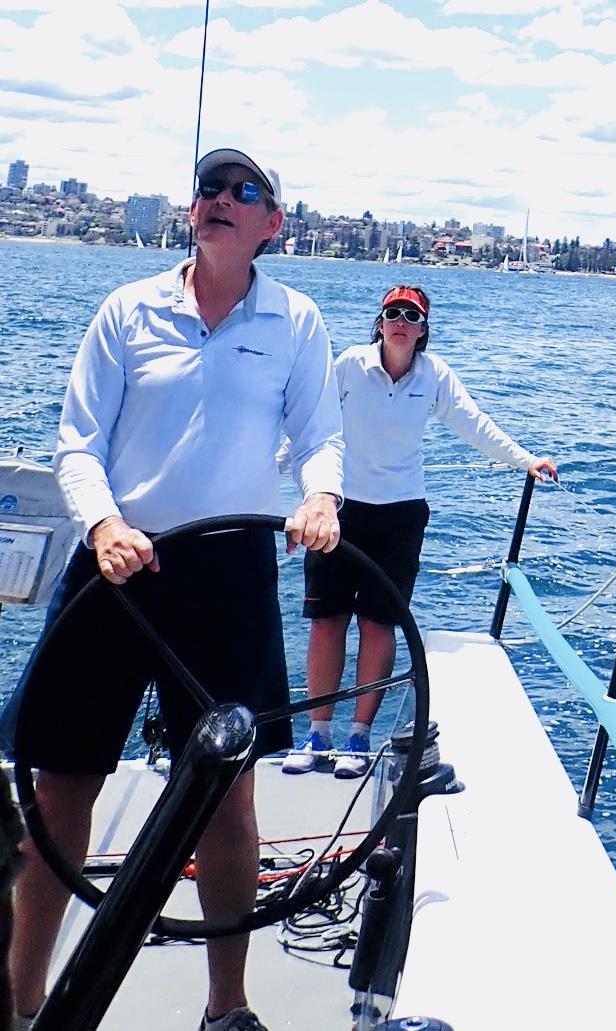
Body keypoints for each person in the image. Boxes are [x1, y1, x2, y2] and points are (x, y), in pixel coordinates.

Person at [5, 147, 343, 1031]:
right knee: (61, 787)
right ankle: (23, 1000)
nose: (220, 199)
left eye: (245, 192)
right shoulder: (127, 309)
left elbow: (318, 433)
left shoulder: (297, 321)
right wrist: (104, 524)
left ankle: (226, 1007)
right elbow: (77, 441)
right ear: (192, 213)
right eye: (210, 189)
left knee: (229, 795)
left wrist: (320, 493)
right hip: (117, 568)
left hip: (228, 575)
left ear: (273, 224)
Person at [282, 284, 557, 779]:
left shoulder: (434, 377)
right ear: (380, 322)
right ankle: (317, 732)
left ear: (424, 327)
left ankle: (358, 737)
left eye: (412, 315)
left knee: (377, 624)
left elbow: (474, 424)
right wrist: (269, 474)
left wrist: (526, 461)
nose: (401, 321)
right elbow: (310, 425)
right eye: (393, 313)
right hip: (338, 508)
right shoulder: (348, 364)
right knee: (327, 623)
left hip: (401, 515)